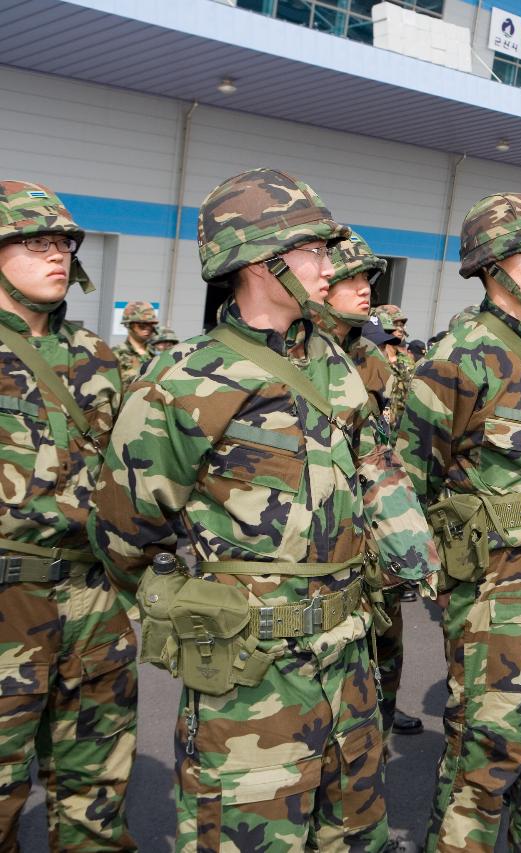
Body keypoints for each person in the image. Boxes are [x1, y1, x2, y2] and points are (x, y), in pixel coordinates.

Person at [91, 168, 399, 850]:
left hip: (348, 665)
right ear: (262, 264)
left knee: (355, 837)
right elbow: (121, 532)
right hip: (249, 681)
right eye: (315, 250)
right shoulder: (185, 380)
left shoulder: (334, 365)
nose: (330, 264)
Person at [400, 193, 521, 853]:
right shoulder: (457, 357)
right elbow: (408, 480)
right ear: (491, 263)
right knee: (484, 756)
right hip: (497, 591)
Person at [0, 181, 137, 851]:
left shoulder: (97, 359)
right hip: (7, 598)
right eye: (35, 243)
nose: (56, 256)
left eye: (63, 244)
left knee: (97, 784)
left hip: (92, 593)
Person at [322, 231, 429, 740]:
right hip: (325, 539)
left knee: (387, 643)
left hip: (375, 534)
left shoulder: (372, 359)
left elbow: (387, 440)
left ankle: (379, 738)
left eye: (368, 277)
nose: (365, 288)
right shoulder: (301, 358)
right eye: (352, 278)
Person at [112, 299, 158, 385]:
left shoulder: (155, 354)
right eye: (142, 325)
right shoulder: (115, 354)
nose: (148, 328)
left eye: (151, 324)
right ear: (129, 325)